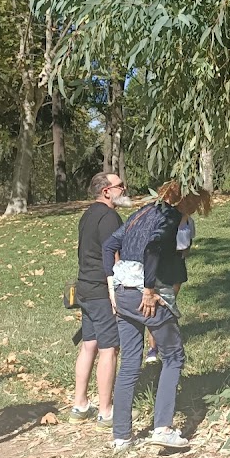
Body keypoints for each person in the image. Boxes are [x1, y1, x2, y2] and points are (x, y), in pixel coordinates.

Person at [102, 181, 211, 451]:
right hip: (146, 295)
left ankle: (121, 436)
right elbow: (152, 249)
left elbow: (109, 245)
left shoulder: (142, 212)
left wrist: (111, 285)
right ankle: (162, 427)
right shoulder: (170, 217)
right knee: (173, 356)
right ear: (187, 203)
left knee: (129, 362)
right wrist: (149, 290)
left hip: (123, 292)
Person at [70, 172, 130, 426]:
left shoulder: (88, 214)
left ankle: (80, 405)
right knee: (109, 349)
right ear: (106, 191)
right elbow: (112, 255)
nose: (124, 189)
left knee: (89, 345)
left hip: (84, 286)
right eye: (120, 186)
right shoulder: (109, 217)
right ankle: (106, 412)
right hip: (100, 290)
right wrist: (116, 292)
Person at [144, 193, 196, 366]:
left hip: (176, 265)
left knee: (169, 305)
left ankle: (167, 343)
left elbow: (186, 246)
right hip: (161, 265)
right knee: (157, 307)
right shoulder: (163, 220)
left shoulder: (189, 223)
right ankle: (153, 348)